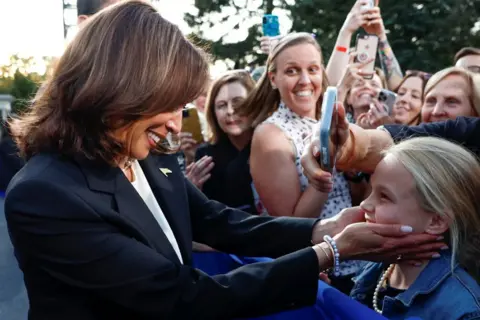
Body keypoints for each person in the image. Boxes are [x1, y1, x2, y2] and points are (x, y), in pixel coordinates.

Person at [4, 2, 444, 319]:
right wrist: (328, 253)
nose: (177, 126)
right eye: (169, 105)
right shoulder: (45, 195)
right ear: (118, 92)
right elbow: (184, 299)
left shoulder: (147, 153)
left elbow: (218, 221)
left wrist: (321, 228)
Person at [351, 137, 480, 319]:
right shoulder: (376, 265)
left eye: (384, 196)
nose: (365, 204)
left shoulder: (460, 308)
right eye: (372, 190)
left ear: (436, 221)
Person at [300, 103, 480, 189]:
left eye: (452, 101)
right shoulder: (469, 131)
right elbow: (396, 144)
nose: (437, 111)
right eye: (431, 100)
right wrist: (345, 145)